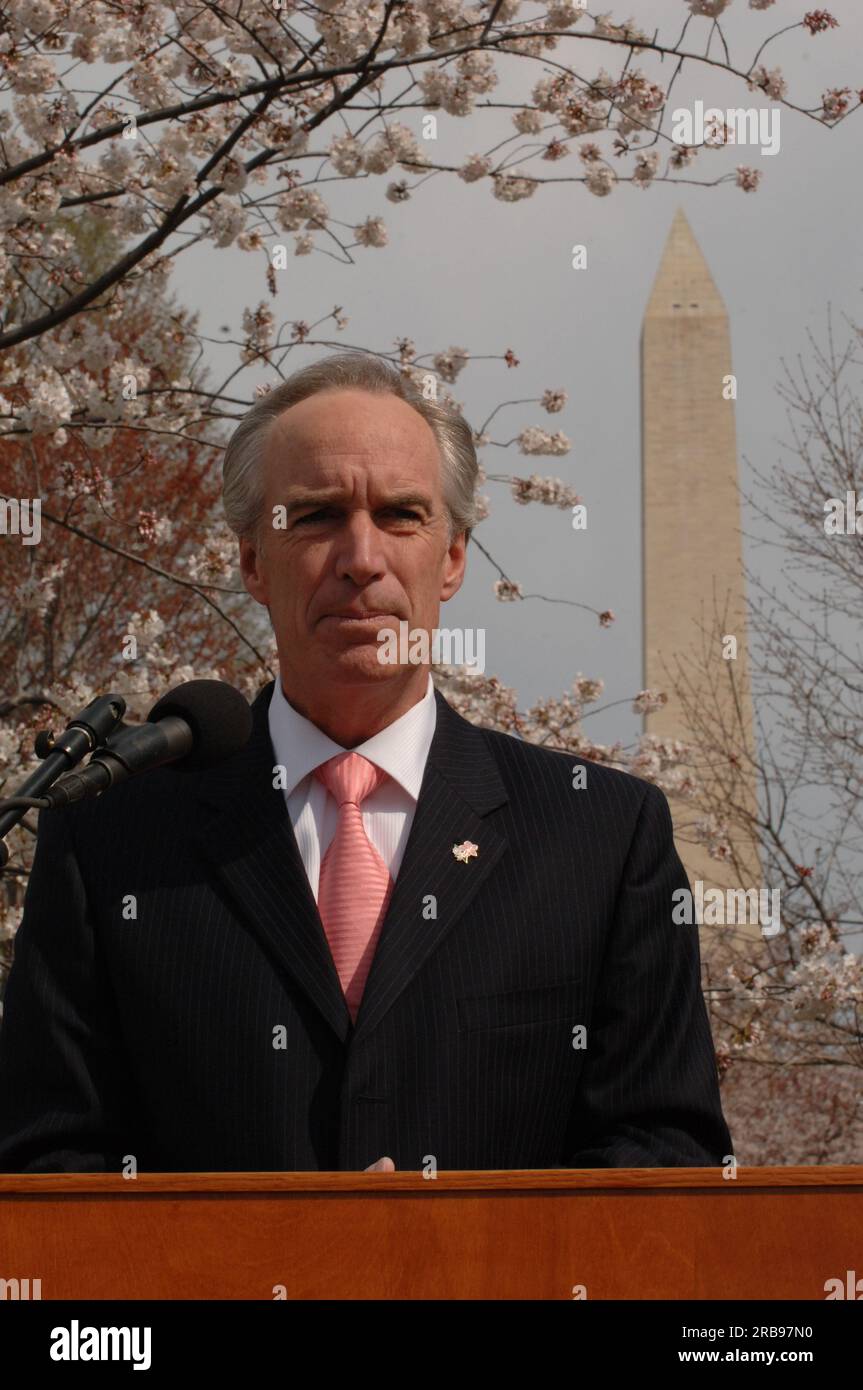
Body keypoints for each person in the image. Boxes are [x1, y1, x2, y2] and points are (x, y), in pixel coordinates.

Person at [0, 352, 732, 1173]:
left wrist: (443, 1258)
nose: (361, 557)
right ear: (249, 561)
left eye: (400, 515)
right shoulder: (111, 839)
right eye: (315, 516)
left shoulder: (599, 838)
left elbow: (664, 1155)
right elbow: (47, 1162)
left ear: (452, 557)